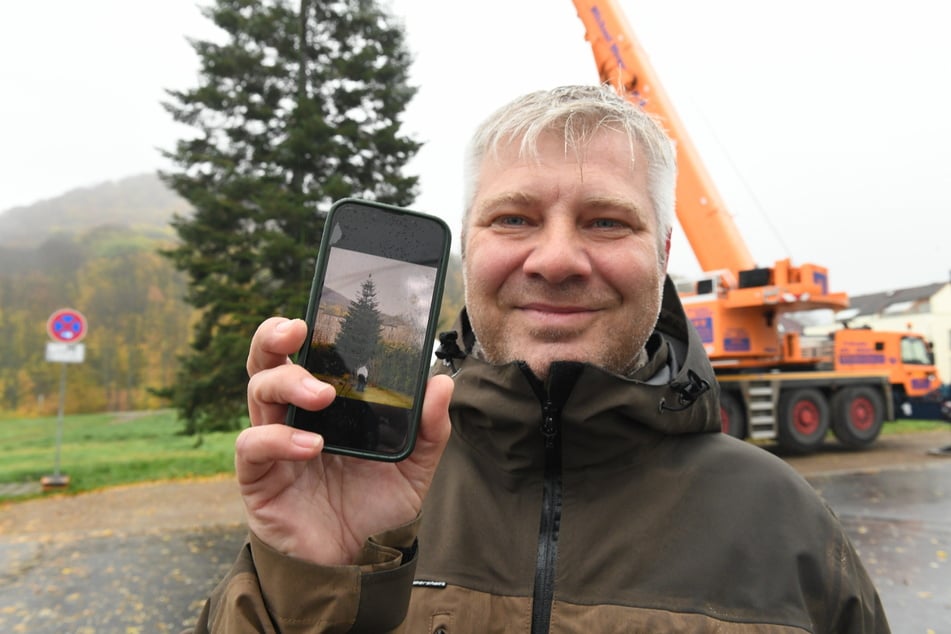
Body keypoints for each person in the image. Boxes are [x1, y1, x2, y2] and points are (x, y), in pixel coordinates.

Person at [193, 85, 889, 632]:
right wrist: (313, 583)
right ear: (469, 244)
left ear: (663, 254)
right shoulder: (359, 487)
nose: (555, 260)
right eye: (514, 219)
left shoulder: (789, 525)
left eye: (606, 221)